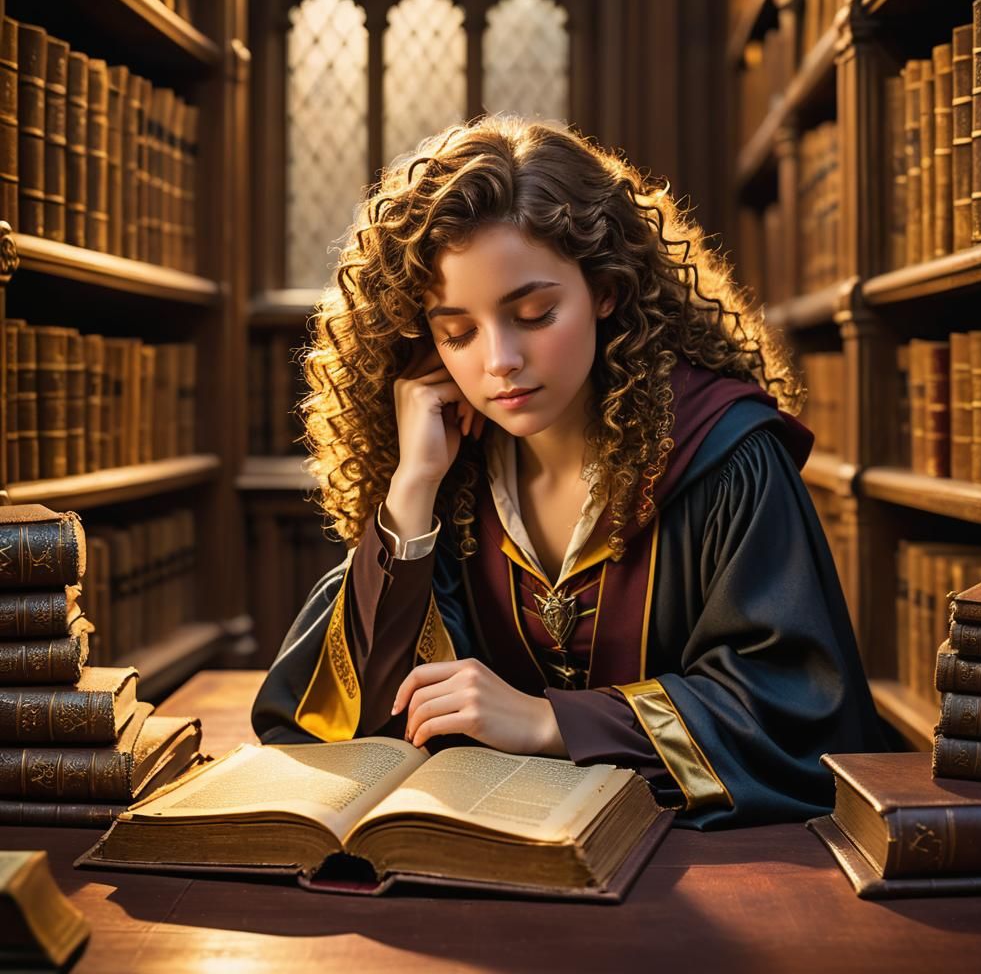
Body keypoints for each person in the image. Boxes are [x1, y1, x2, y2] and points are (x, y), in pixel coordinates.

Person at [251, 113, 888, 830]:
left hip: (706, 882)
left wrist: (551, 722)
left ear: (606, 290)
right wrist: (412, 489)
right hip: (495, 865)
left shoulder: (727, 456)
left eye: (534, 313)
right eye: (456, 332)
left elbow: (794, 716)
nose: (498, 363)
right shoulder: (457, 480)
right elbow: (349, 720)